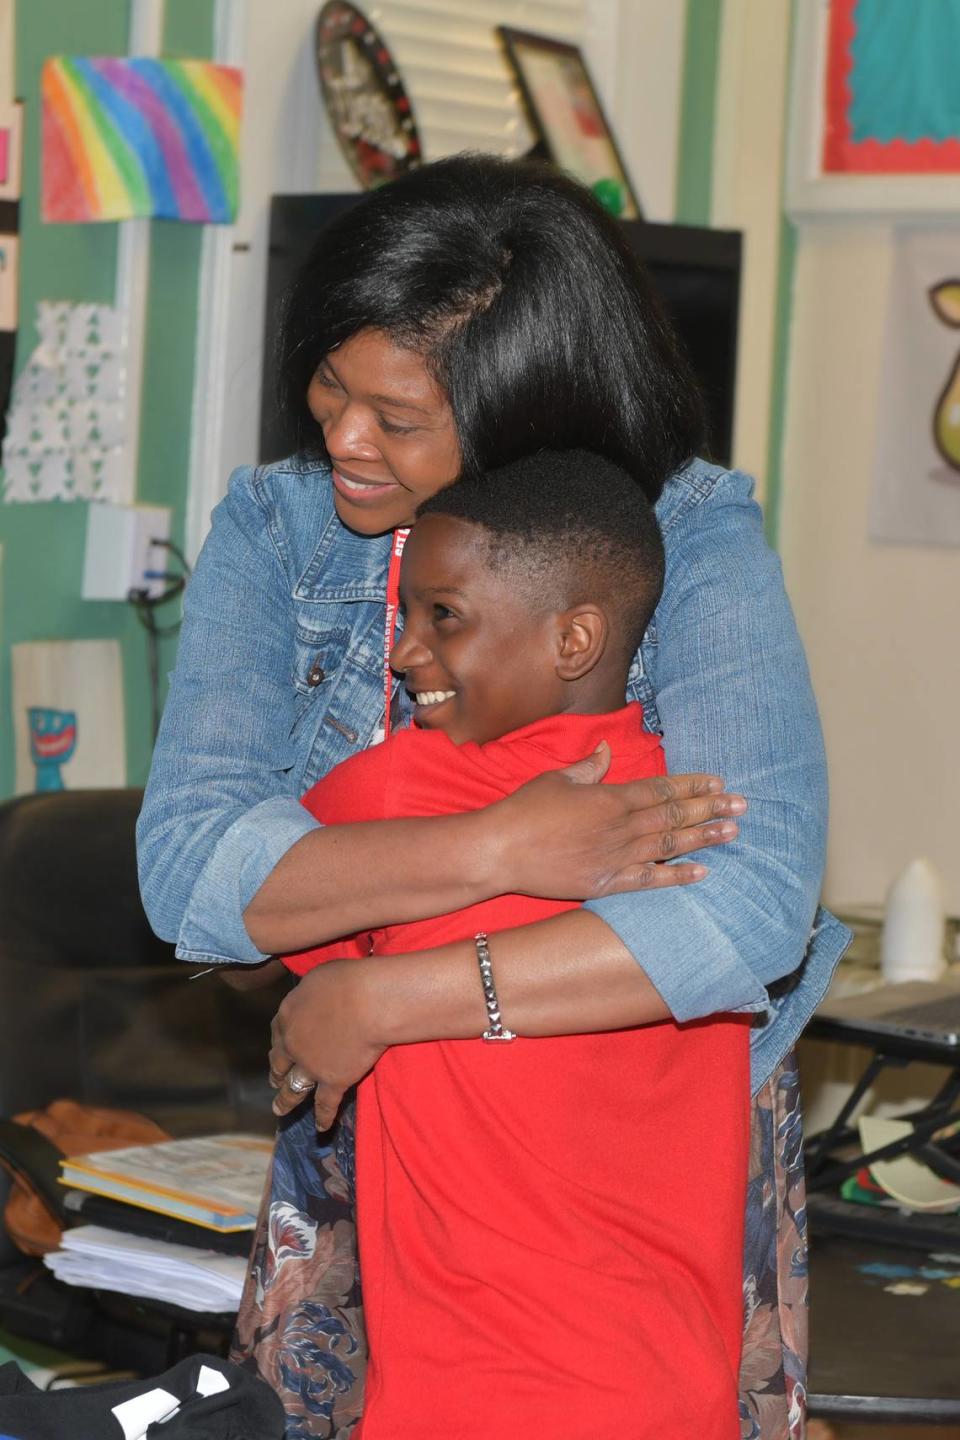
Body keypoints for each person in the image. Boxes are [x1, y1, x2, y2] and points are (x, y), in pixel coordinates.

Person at [136, 153, 850, 1439]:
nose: (344, 440)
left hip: (634, 1168)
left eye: (397, 418)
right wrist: (499, 846)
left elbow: (748, 913)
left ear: (526, 408)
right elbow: (193, 872)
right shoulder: (277, 526)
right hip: (384, 1141)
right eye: (330, 387)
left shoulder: (683, 539)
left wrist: (383, 994)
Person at [278, 451, 751, 1439]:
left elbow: (225, 920)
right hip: (669, 1390)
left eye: (443, 616)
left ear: (573, 636)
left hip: (471, 1394)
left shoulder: (395, 797)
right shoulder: (701, 814)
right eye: (406, 616)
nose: (405, 653)